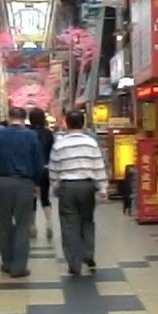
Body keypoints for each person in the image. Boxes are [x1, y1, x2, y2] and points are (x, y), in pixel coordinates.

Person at [0, 107, 45, 278]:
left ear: (9, 118)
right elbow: (39, 163)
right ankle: (19, 267)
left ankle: (7, 263)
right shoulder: (31, 136)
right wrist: (36, 182)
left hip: (2, 182)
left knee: (4, 224)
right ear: (24, 120)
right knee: (23, 225)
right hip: (24, 183)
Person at [48, 110, 108, 275]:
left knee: (69, 224)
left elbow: (53, 168)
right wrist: (102, 188)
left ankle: (74, 263)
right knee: (87, 221)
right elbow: (98, 166)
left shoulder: (59, 144)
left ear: (66, 123)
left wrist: (55, 186)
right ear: (83, 123)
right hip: (87, 186)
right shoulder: (91, 143)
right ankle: (88, 254)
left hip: (67, 187)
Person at [28, 107, 56, 240]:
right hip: (45, 168)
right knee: (45, 198)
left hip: (30, 169)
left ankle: (33, 226)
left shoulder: (27, 133)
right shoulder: (48, 133)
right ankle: (49, 223)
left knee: (31, 198)